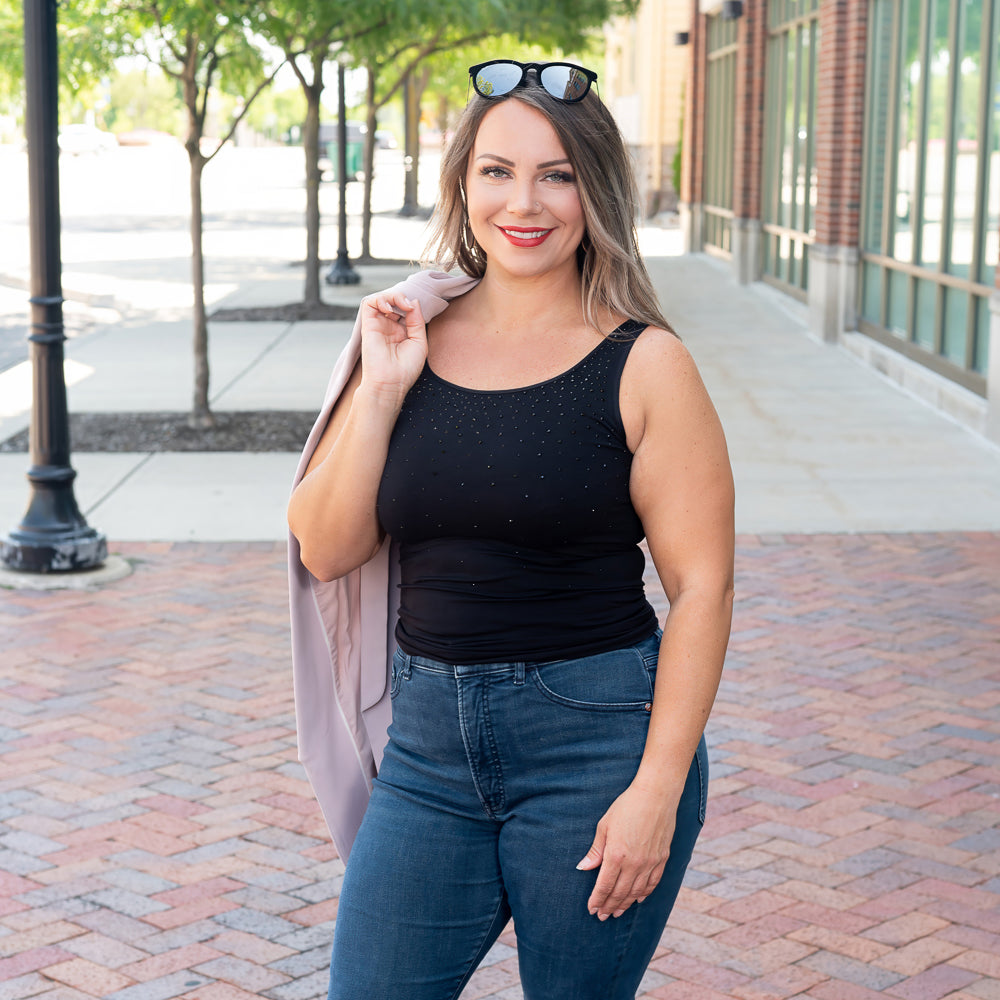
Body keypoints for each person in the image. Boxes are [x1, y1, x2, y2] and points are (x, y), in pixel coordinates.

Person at [287, 58, 734, 1000]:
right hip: (427, 754)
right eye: (497, 170)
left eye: (557, 173)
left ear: (596, 188)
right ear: (462, 183)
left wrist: (655, 792)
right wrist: (381, 393)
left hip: (597, 744)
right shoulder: (410, 332)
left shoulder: (646, 364)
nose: (523, 201)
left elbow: (702, 588)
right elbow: (326, 548)